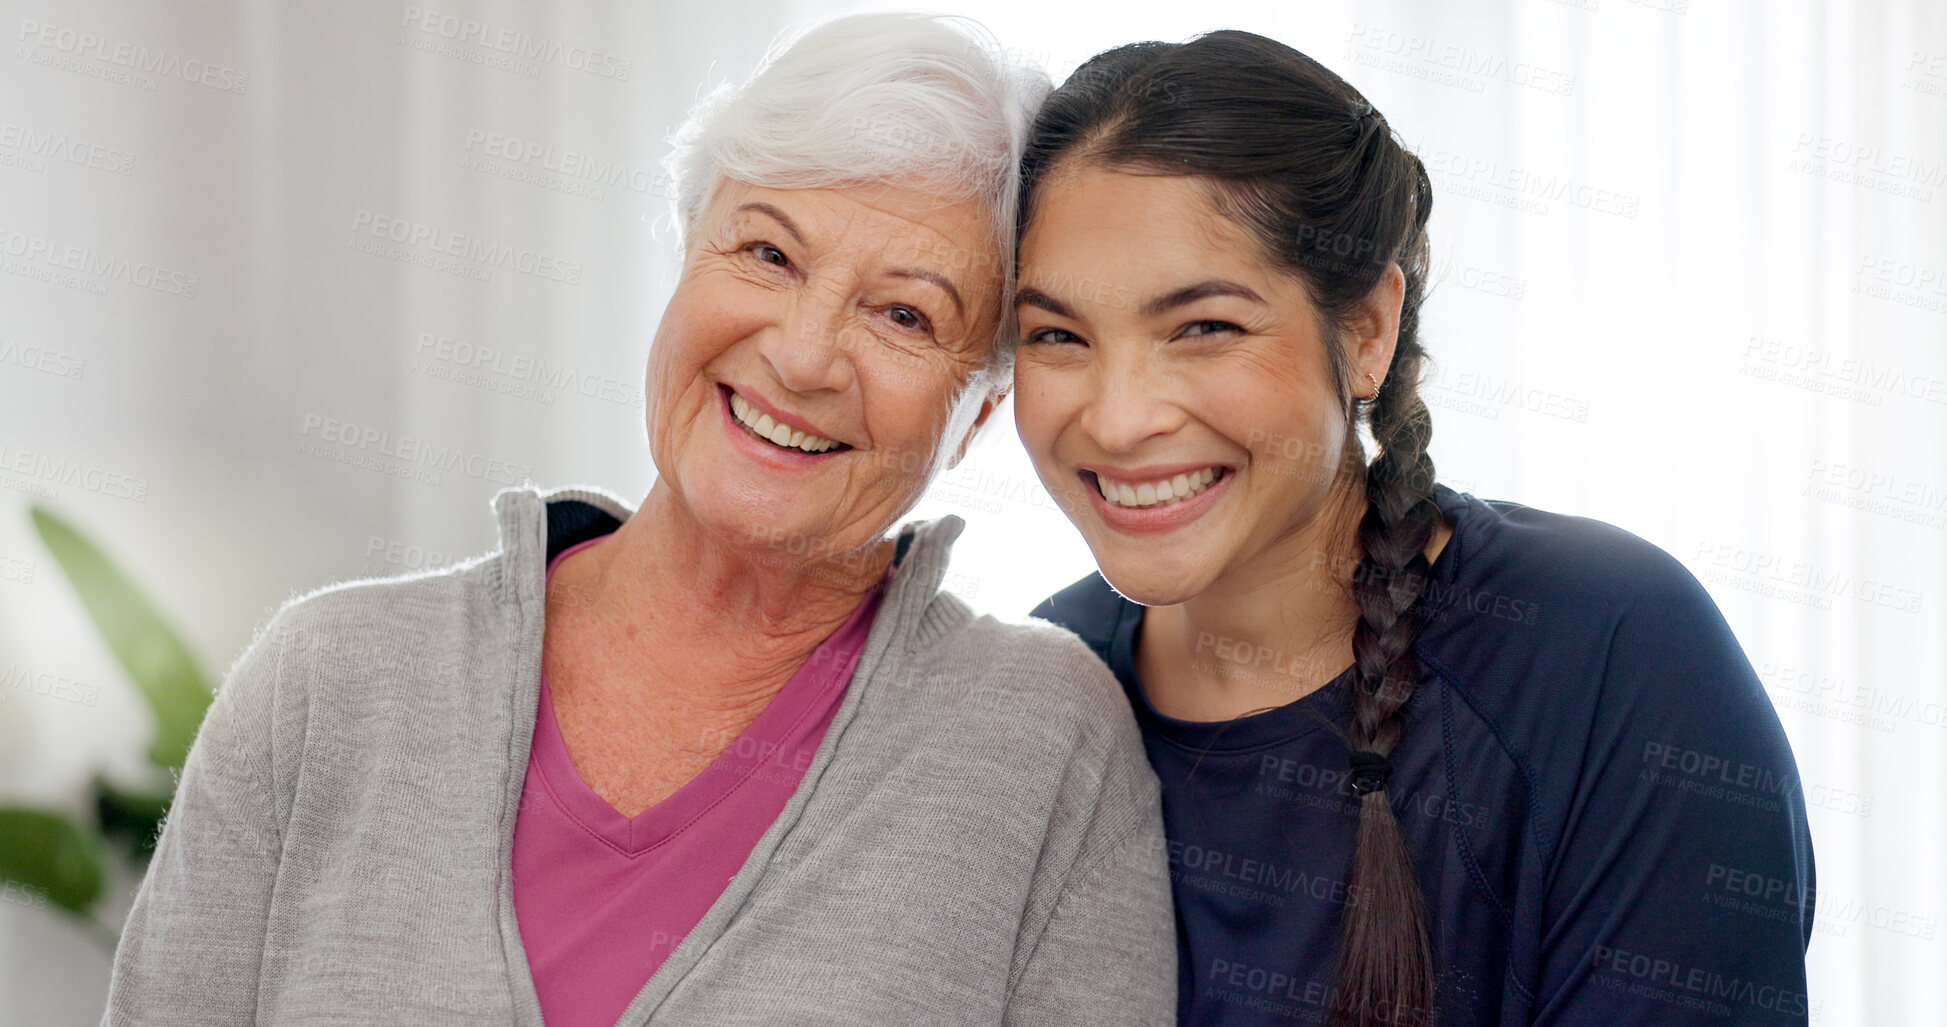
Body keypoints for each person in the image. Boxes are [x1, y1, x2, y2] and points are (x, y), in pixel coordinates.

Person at [102, 15, 1174, 1026]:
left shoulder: (1042, 744)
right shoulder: (327, 684)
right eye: (766, 254)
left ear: (980, 409)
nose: (802, 355)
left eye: (905, 314)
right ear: (681, 254)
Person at [1015, 31, 1814, 1027]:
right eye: (1055, 335)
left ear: (1365, 332)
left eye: (1204, 326)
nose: (1119, 416)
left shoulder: (1606, 651)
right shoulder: (1041, 691)